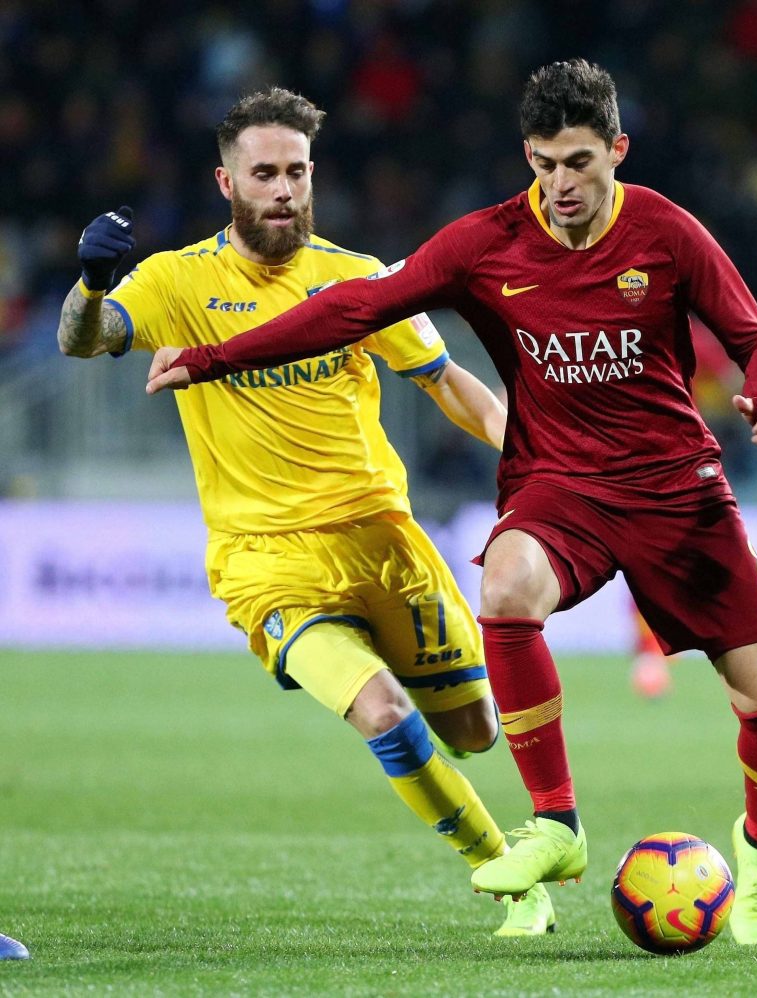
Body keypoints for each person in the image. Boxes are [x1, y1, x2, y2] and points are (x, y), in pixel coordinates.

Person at [146, 61, 757, 946]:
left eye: (578, 162)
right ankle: (556, 827)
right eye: (542, 164)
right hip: (559, 483)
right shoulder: (485, 243)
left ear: (616, 149)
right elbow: (357, 306)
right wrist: (216, 356)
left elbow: (753, 338)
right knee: (505, 584)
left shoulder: (666, 231)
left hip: (672, 486)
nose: (561, 185)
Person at [57, 87, 555, 937]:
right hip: (267, 561)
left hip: (385, 544)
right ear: (227, 183)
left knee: (472, 732)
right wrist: (93, 283)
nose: (283, 188)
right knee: (382, 712)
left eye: (296, 171)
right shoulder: (179, 281)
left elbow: (452, 388)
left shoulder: (359, 279)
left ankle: (498, 843)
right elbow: (83, 337)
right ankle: (509, 883)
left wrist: (543, 464)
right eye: (264, 174)